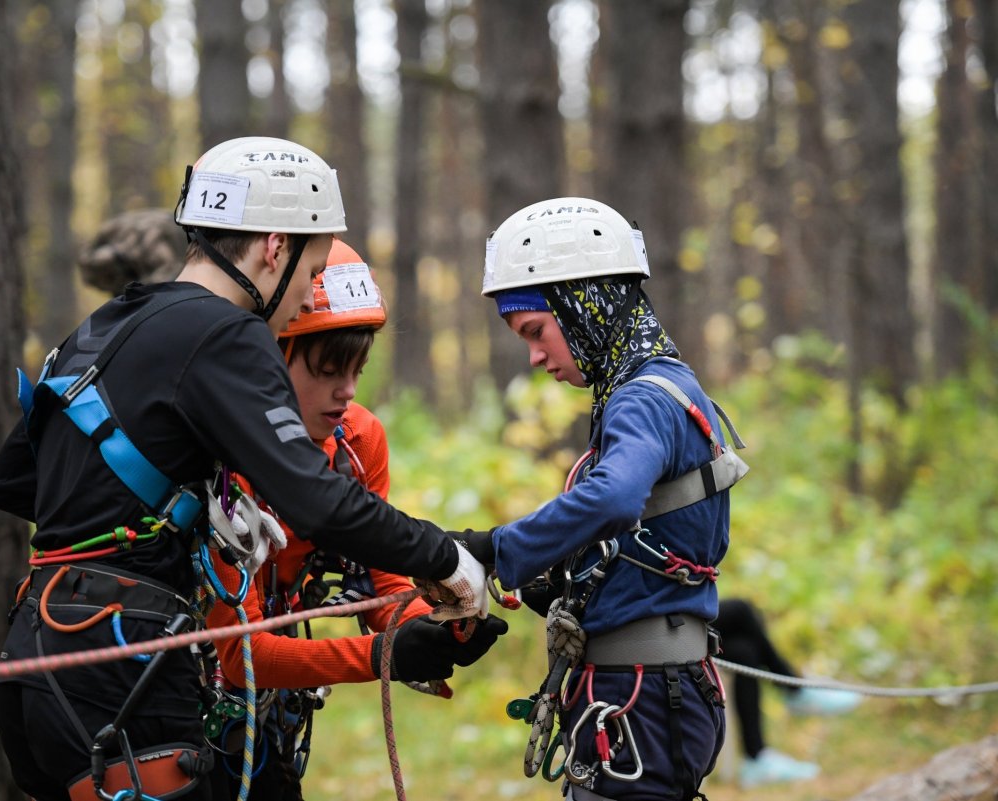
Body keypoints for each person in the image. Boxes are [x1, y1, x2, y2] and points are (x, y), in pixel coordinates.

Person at [0, 136, 488, 801]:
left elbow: (13, 481)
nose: (304, 295)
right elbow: (317, 500)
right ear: (274, 247)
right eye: (310, 275)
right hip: (125, 662)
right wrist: (447, 557)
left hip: (39, 657)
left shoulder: (107, 324)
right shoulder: (228, 331)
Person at [455, 197, 749, 800]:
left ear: (583, 302)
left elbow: (616, 497)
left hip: (638, 702)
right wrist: (564, 582)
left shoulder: (640, 398)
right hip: (648, 695)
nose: (535, 357)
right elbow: (648, 535)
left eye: (536, 331)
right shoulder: (672, 385)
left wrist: (496, 550)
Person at [205, 240, 508, 800]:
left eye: (357, 370)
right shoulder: (222, 454)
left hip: (271, 710)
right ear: (271, 353)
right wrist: (380, 657)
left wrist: (434, 624)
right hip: (184, 697)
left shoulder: (358, 439)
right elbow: (240, 654)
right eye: (327, 371)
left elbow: (384, 583)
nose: (346, 392)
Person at [716, 598, 861, 788]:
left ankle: (756, 758)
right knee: (741, 610)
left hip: (678, 619)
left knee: (745, 652)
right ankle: (794, 690)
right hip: (668, 621)